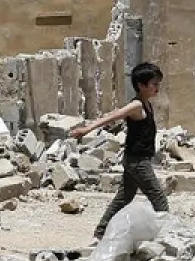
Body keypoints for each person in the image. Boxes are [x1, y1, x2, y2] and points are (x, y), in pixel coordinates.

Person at [70, 62, 169, 241]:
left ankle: (100, 234)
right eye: (154, 84)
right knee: (159, 200)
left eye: (158, 83)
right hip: (138, 163)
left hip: (135, 159)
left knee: (124, 198)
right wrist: (87, 129)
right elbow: (112, 117)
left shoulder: (146, 104)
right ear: (141, 85)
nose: (157, 88)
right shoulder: (136, 106)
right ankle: (165, 237)